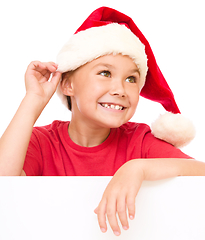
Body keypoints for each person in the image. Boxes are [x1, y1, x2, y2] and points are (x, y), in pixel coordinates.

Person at [0, 6, 204, 236]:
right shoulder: (41, 142)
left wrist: (139, 168)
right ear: (68, 84)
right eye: (105, 73)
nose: (120, 89)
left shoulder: (139, 141)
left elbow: (201, 172)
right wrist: (33, 99)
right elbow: (3, 184)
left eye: (131, 78)